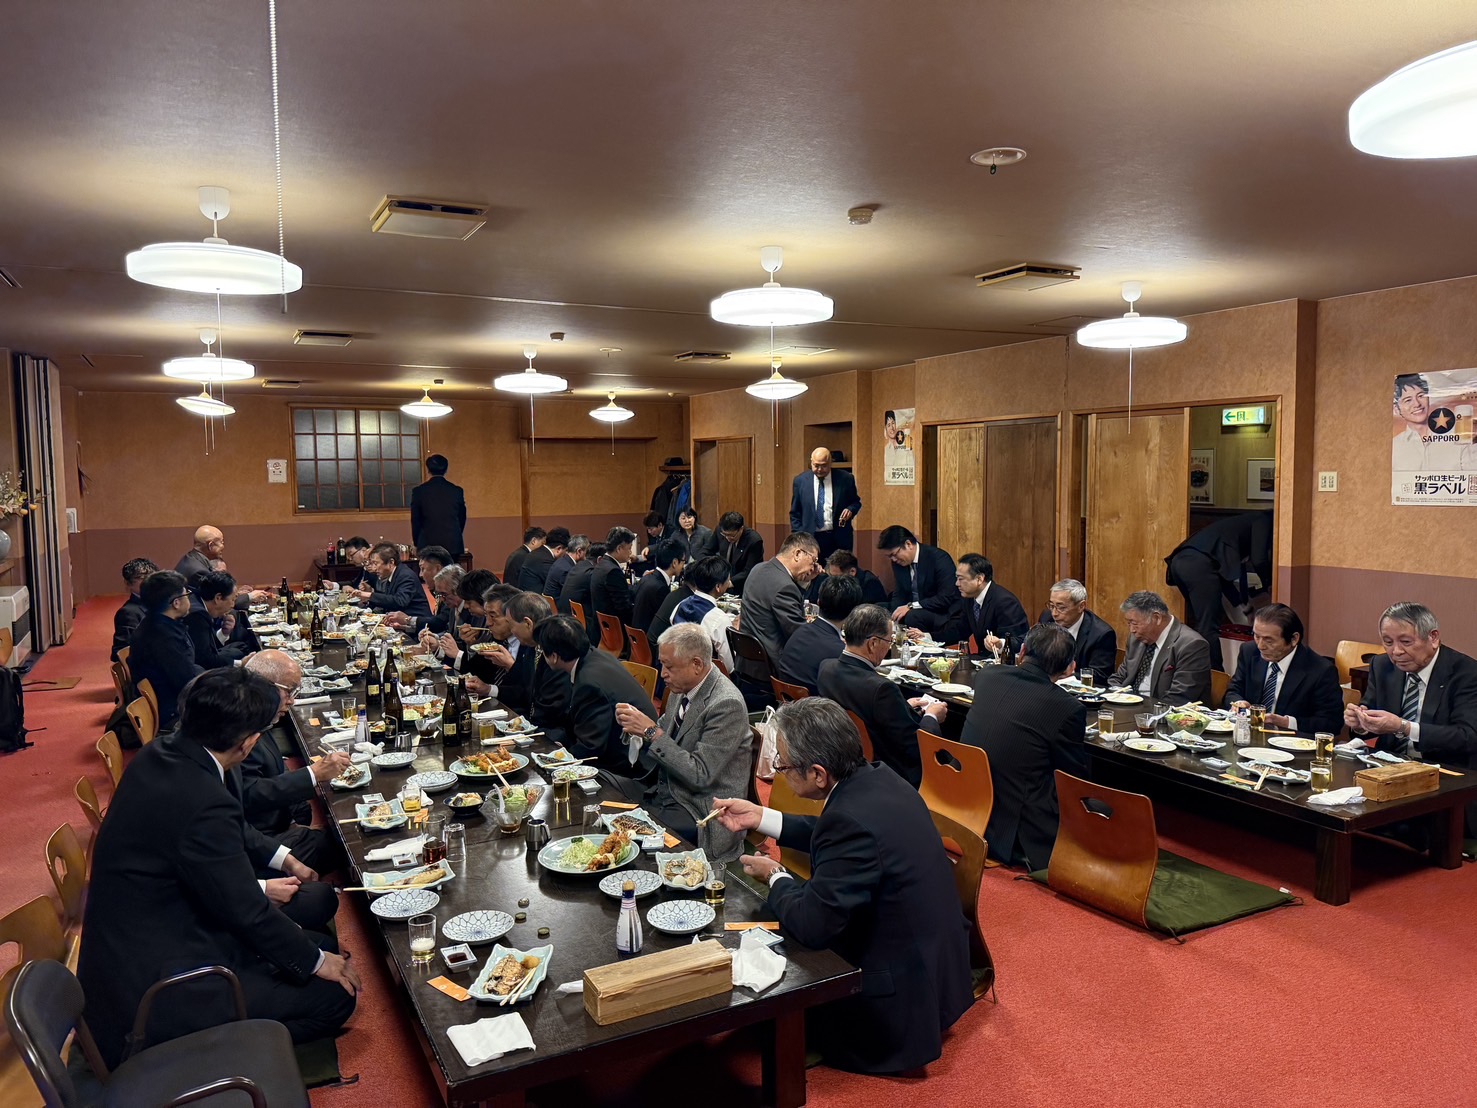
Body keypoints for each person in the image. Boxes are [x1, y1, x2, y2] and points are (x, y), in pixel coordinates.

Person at [77, 667, 359, 1070]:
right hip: (158, 984)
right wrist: (315, 962)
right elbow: (244, 910)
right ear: (248, 743)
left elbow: (228, 860)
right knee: (335, 996)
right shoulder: (202, 798)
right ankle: (199, 1051)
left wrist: (309, 948)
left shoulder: (161, 753)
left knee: (315, 944)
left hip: (142, 941)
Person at [710, 699, 973, 1075]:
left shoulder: (850, 822)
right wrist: (760, 816)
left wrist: (776, 876)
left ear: (818, 774)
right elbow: (837, 837)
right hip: (937, 963)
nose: (779, 770)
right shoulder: (879, 777)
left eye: (783, 765)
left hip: (897, 1001)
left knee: (765, 970)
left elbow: (813, 925)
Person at [612, 623, 753, 857]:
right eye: (662, 664)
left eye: (669, 666)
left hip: (700, 809)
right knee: (604, 786)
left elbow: (700, 775)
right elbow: (660, 734)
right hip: (667, 789)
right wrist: (636, 727)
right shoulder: (683, 687)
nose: (663, 673)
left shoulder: (726, 704)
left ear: (696, 664)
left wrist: (650, 732)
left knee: (634, 836)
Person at [959, 625, 1088, 869]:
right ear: (1068, 669)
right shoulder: (1067, 707)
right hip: (1015, 820)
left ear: (1022, 652)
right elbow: (1073, 778)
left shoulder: (988, 675)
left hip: (965, 798)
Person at [1345, 602, 1477, 832]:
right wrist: (1360, 723)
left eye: (1406, 642)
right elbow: (1370, 714)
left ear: (1433, 638)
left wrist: (1404, 727)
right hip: (1387, 773)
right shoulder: (1382, 665)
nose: (1396, 651)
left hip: (1443, 778)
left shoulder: (1466, 673)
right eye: (1388, 642)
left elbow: (1467, 736)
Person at [239, 651, 350, 875]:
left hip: (272, 817)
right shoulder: (238, 728)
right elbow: (247, 794)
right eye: (289, 691)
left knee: (303, 808)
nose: (292, 701)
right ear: (264, 686)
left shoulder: (258, 715)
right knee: (341, 842)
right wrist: (313, 773)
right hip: (253, 838)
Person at [817, 604, 945, 786]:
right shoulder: (881, 689)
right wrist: (932, 716)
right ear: (873, 643)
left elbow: (865, 711)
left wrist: (903, 706)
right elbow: (915, 748)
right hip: (890, 773)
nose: (889, 646)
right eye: (889, 641)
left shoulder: (825, 668)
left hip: (843, 759)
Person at [536, 615, 656, 775]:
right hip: (625, 749)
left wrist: (558, 760)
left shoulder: (589, 683)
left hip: (632, 765)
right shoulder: (594, 655)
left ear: (554, 656)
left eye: (542, 650)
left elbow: (590, 748)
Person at [1163, 511, 1272, 670]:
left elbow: (1223, 577)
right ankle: (1215, 675)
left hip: (1180, 563)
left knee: (1201, 624)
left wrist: (1243, 605)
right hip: (1199, 565)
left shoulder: (1239, 526)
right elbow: (1259, 559)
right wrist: (1269, 584)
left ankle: (1192, 670)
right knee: (1208, 626)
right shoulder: (1263, 520)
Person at [1226, 604, 1344, 735]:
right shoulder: (1249, 652)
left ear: (1294, 639)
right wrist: (1239, 703)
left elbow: (1332, 723)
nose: (1260, 646)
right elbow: (1233, 690)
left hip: (1290, 741)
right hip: (1249, 735)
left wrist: (1287, 723)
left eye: (1269, 640)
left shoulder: (1321, 671)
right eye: (1256, 636)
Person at [128, 570, 203, 731]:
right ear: (176, 603)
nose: (189, 599)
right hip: (174, 712)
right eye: (186, 594)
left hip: (170, 700)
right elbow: (187, 683)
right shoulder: (163, 637)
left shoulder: (154, 623)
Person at [1109, 591, 1211, 706]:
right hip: (1128, 705)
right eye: (1129, 624)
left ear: (1156, 618)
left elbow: (1179, 697)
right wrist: (1110, 696)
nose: (1132, 630)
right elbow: (1120, 677)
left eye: (1135, 623)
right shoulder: (1136, 639)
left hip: (1164, 710)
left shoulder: (1191, 645)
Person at [739, 532, 820, 674]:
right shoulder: (784, 586)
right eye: (813, 561)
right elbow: (799, 635)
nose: (812, 568)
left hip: (746, 663)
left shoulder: (758, 568)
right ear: (798, 554)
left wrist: (804, 581)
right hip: (772, 668)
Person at [779, 574, 862, 694]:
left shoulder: (799, 632)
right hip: (815, 704)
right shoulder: (839, 653)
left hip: (786, 701)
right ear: (853, 612)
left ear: (818, 602)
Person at [878, 525, 958, 637]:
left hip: (939, 612)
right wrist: (893, 616)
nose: (893, 560)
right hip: (912, 608)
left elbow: (945, 597)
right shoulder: (899, 563)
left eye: (894, 554)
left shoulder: (938, 558)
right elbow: (900, 592)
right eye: (889, 557)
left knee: (912, 616)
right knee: (876, 610)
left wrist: (911, 606)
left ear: (908, 544)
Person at [1035, 578, 1118, 685]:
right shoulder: (1047, 618)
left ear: (1081, 606)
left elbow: (1100, 675)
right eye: (1051, 606)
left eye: (1061, 608)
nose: (1054, 613)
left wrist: (1066, 675)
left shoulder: (1102, 634)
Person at [944, 553, 1029, 656]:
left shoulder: (1005, 601)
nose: (957, 583)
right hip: (982, 659)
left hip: (1001, 661)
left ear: (979, 579)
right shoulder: (969, 598)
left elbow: (1020, 641)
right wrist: (929, 637)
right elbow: (960, 630)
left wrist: (1000, 643)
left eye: (961, 579)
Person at [790, 447, 863, 559]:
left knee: (840, 569)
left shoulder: (845, 479)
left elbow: (855, 502)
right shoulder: (800, 481)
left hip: (838, 538)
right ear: (811, 462)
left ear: (830, 463)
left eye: (824, 466)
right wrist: (799, 536)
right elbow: (795, 513)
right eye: (816, 465)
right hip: (810, 539)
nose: (819, 469)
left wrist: (850, 510)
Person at [672, 555, 736, 672]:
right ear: (718, 586)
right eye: (728, 580)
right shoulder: (719, 619)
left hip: (679, 670)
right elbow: (728, 666)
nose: (729, 582)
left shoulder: (679, 605)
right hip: (704, 676)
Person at [1390, 373, 1463, 472]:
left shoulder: (1457, 436)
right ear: (1396, 409)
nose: (1417, 404)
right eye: (1408, 400)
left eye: (1421, 396)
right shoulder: (1396, 445)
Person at [184, 569, 250, 669]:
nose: (232, 605)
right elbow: (205, 660)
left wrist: (223, 633)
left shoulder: (197, 601)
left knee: (241, 646)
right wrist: (241, 664)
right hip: (197, 671)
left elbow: (206, 648)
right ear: (218, 598)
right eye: (232, 600)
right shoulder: (197, 615)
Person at [353, 542, 433, 621]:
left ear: (391, 562)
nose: (374, 568)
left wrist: (370, 595)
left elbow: (400, 601)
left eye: (376, 563)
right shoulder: (393, 574)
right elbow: (388, 600)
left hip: (418, 623)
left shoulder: (405, 575)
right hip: (398, 622)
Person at [409, 453, 466, 558]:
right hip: (452, 543)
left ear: (428, 470)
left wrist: (417, 542)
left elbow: (415, 520)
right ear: (446, 469)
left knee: (430, 568)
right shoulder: (456, 491)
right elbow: (462, 518)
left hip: (427, 543)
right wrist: (455, 534)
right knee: (451, 568)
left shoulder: (419, 491)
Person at [592, 526, 638, 650]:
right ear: (619, 549)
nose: (630, 552)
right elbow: (624, 608)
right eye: (629, 548)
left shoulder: (602, 564)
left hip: (601, 626)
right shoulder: (613, 571)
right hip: (614, 629)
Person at [632, 539, 685, 634]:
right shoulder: (660, 588)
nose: (683, 566)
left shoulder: (646, 578)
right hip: (648, 639)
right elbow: (664, 623)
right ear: (674, 563)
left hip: (637, 637)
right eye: (683, 562)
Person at [111, 557, 157, 661]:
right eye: (142, 578)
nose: (149, 582)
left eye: (151, 577)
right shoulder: (128, 613)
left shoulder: (159, 603)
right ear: (128, 583)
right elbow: (121, 652)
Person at [560, 541, 605, 643]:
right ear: (600, 560)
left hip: (567, 616)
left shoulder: (578, 566)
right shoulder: (591, 573)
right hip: (578, 623)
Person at [713, 511, 765, 595]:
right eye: (725, 535)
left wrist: (728, 583)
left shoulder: (754, 541)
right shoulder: (720, 530)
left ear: (741, 529)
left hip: (743, 587)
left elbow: (749, 570)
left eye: (731, 535)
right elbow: (706, 550)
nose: (728, 538)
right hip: (722, 582)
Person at [813, 548, 887, 605]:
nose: (833, 581)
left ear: (852, 572)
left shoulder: (870, 584)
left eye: (836, 577)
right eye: (831, 576)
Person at [518, 526, 569, 593]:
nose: (566, 554)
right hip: (533, 598)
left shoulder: (538, 553)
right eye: (566, 551)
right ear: (559, 549)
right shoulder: (545, 560)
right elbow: (559, 584)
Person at [545, 533, 586, 603]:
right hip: (559, 607)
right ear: (579, 551)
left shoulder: (562, 561)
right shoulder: (567, 569)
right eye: (587, 551)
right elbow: (571, 594)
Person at [631, 512, 669, 576]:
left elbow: (663, 547)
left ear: (660, 525)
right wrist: (637, 558)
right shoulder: (652, 535)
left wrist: (650, 548)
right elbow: (649, 554)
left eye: (651, 529)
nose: (649, 532)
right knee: (632, 566)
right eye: (648, 529)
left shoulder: (670, 533)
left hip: (664, 565)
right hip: (653, 562)